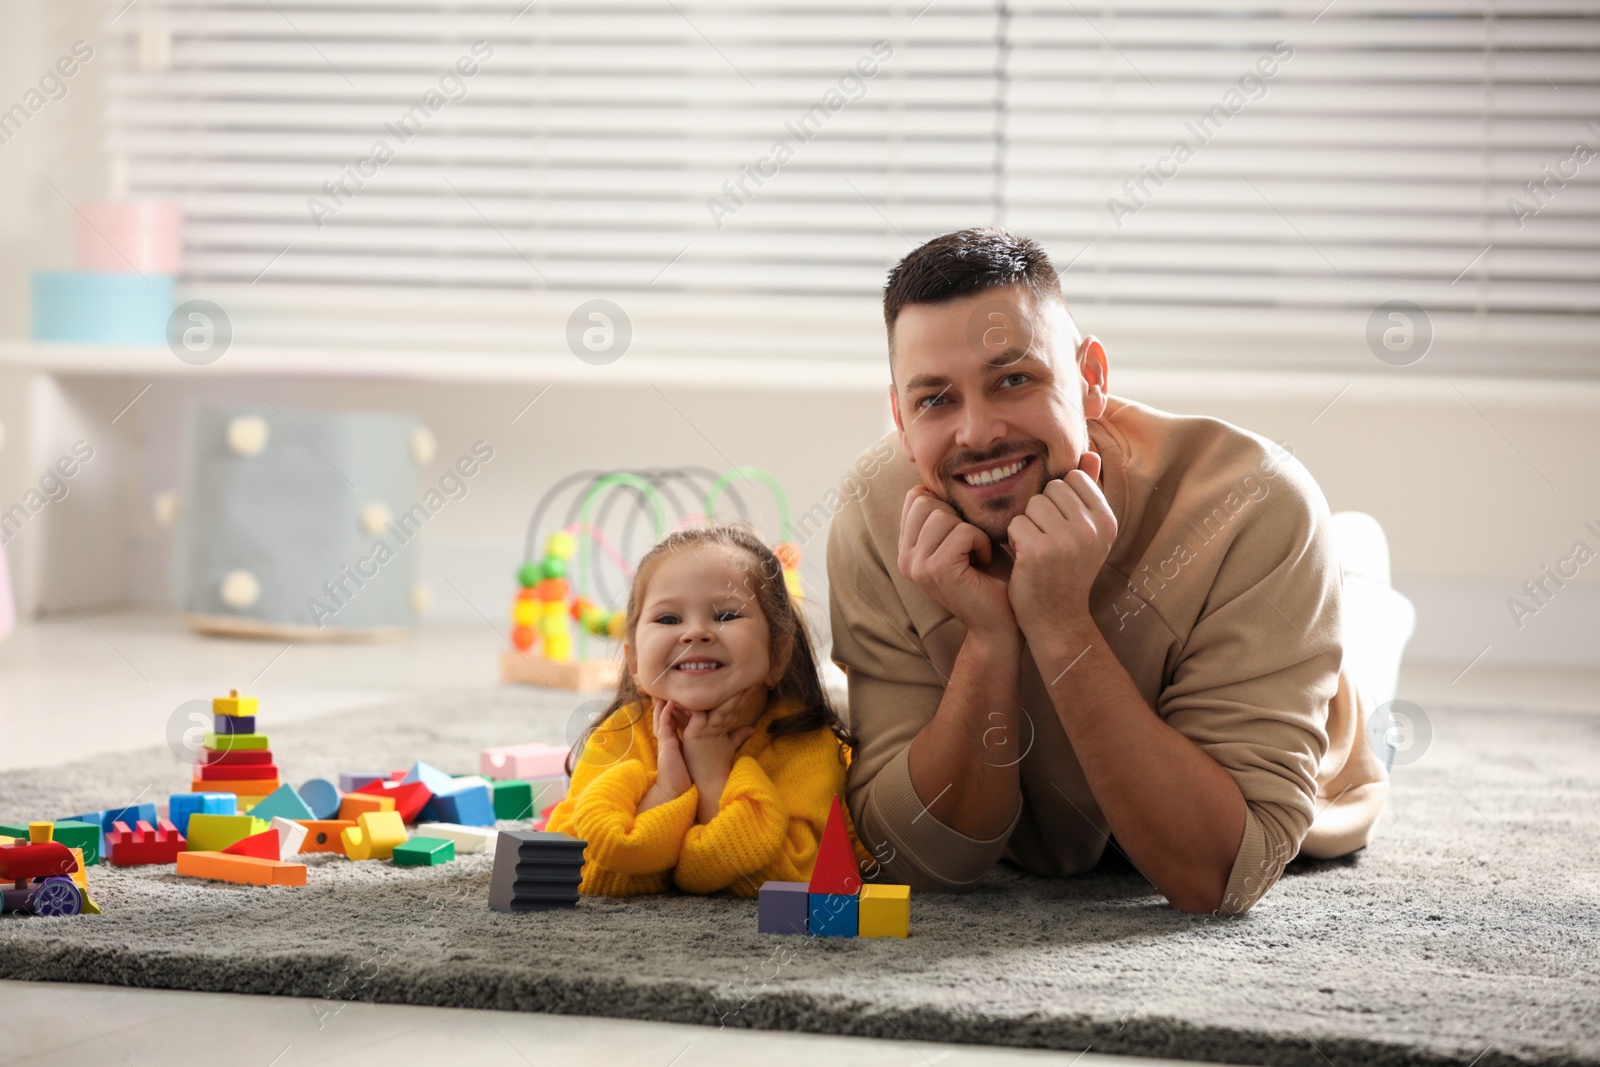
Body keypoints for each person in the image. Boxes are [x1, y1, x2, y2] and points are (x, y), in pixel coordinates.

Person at [827, 227, 1391, 916]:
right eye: (936, 399)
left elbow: (1219, 877)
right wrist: (990, 639)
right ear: (900, 418)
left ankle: (1357, 570)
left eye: (1014, 379)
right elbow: (913, 858)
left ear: (1091, 378)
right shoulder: (876, 506)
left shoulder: (1255, 503)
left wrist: (1061, 623)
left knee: (1355, 610)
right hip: (1051, 807)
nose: (976, 432)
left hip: (1307, 707)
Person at [547, 522, 869, 896]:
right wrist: (670, 787)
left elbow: (790, 879)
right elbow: (591, 873)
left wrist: (712, 774)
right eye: (668, 619)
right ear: (634, 664)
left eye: (726, 616)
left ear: (778, 656)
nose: (695, 633)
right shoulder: (619, 735)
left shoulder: (804, 742)